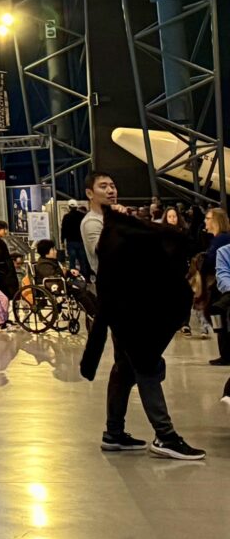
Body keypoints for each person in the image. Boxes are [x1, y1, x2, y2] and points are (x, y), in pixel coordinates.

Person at [78, 171, 203, 459]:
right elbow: (107, 252)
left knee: (125, 367)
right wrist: (122, 223)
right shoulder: (93, 222)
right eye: (103, 186)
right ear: (90, 193)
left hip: (133, 301)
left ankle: (114, 432)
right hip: (121, 304)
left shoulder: (114, 218)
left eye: (112, 184)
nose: (111, 190)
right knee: (145, 363)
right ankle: (165, 435)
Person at [205, 207, 230, 367]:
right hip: (219, 287)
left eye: (208, 218)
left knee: (219, 317)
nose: (205, 221)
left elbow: (210, 264)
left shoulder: (221, 241)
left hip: (221, 289)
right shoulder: (218, 241)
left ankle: (226, 354)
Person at [0, 220, 21, 303]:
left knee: (2, 299)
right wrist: (6, 270)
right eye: (4, 229)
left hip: (4, 276)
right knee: (3, 298)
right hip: (3, 278)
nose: (6, 231)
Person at [61, 201, 88, 280]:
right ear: (76, 207)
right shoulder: (82, 216)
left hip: (71, 242)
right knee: (82, 260)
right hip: (81, 241)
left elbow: (63, 229)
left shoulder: (66, 216)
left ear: (69, 207)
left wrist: (62, 240)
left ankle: (72, 278)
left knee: (72, 260)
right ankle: (85, 277)